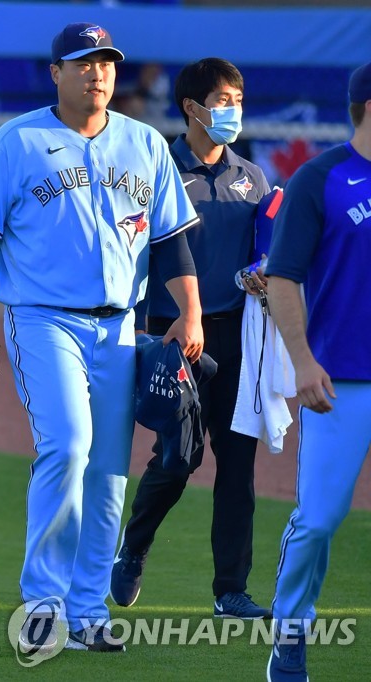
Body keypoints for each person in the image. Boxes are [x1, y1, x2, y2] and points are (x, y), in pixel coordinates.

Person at [0, 22, 202, 656]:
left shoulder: (144, 143)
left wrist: (190, 312)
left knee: (110, 470)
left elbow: (171, 241)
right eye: (84, 62)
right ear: (55, 71)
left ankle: (87, 610)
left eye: (107, 62)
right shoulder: (16, 141)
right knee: (68, 445)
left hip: (121, 326)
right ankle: (44, 603)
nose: (99, 73)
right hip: (42, 318)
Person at [110, 58, 274, 620]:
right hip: (171, 336)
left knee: (238, 468)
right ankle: (133, 547)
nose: (233, 110)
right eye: (223, 99)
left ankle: (231, 590)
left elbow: (266, 253)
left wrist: (263, 273)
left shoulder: (254, 179)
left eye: (238, 98)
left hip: (237, 340)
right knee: (178, 459)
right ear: (192, 106)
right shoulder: (154, 169)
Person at [264, 61, 371, 682]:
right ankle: (291, 632)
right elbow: (283, 277)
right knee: (319, 520)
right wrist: (302, 361)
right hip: (341, 383)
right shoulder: (320, 179)